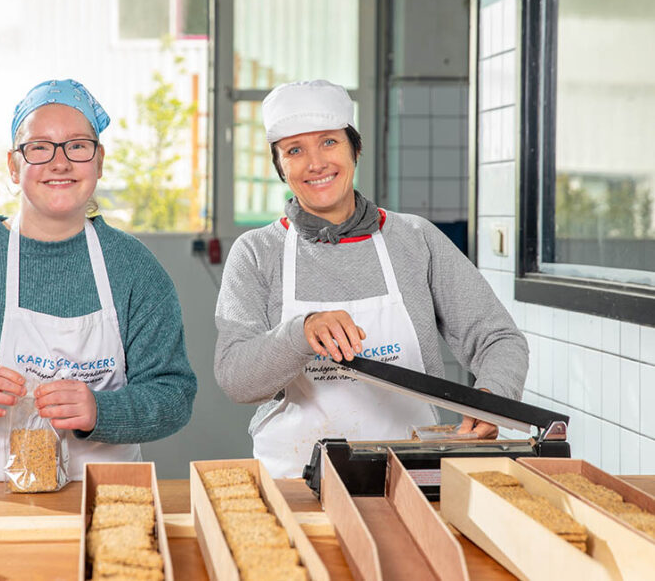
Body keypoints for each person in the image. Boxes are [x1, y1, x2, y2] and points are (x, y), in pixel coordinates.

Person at [0, 79, 197, 482]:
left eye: (77, 146)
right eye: (39, 147)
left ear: (98, 162)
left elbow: (174, 396)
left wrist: (101, 411)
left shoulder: (136, 270)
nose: (59, 163)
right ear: (14, 165)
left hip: (101, 503)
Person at [214, 79, 528, 478]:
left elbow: (498, 338)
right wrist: (301, 333)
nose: (316, 163)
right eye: (295, 150)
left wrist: (494, 397)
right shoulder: (257, 252)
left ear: (355, 148)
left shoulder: (416, 239)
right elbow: (236, 379)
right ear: (280, 167)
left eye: (329, 142)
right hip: (294, 477)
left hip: (413, 470)